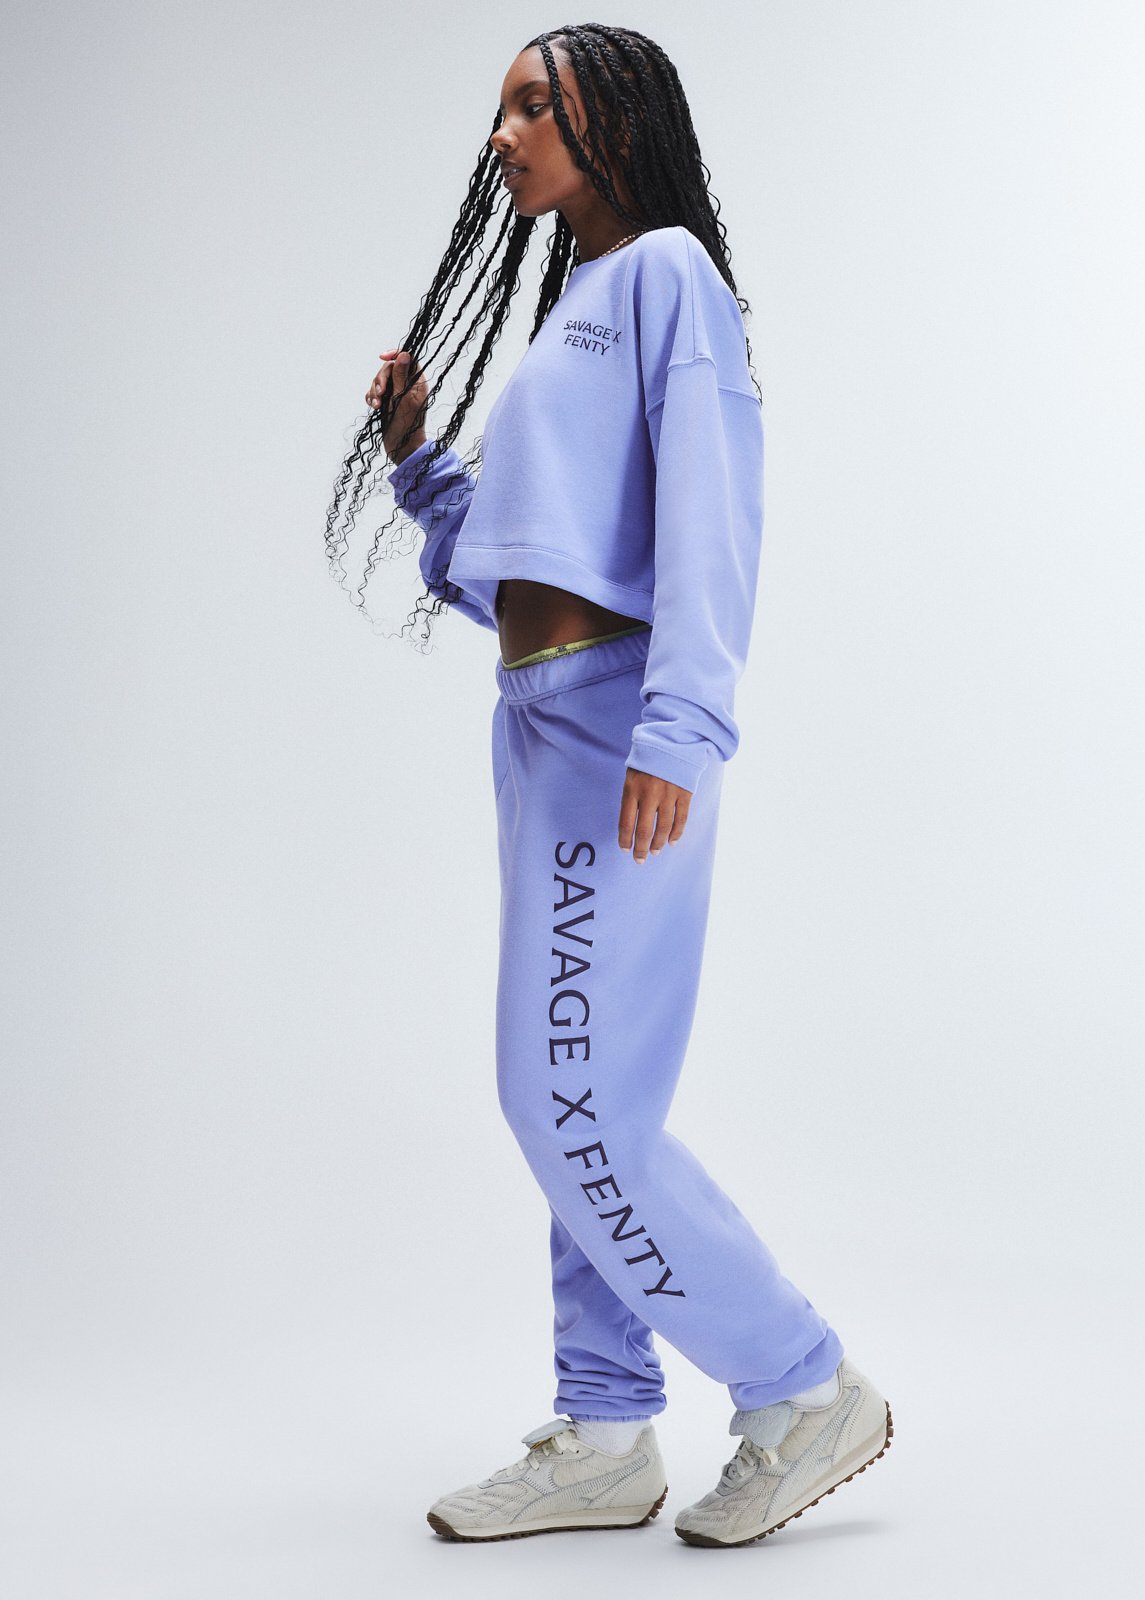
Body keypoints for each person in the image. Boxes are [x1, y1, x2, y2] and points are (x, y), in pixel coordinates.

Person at [337, 24, 894, 1548]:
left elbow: (716, 506)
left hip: (615, 734)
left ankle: (801, 1381)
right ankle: (603, 1424)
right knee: (586, 1093)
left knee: (560, 1091)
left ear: (618, 119)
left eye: (535, 104)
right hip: (536, 724)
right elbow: (521, 570)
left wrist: (681, 727)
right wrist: (422, 469)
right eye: (502, 109)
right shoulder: (573, 312)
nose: (504, 134)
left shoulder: (668, 282)